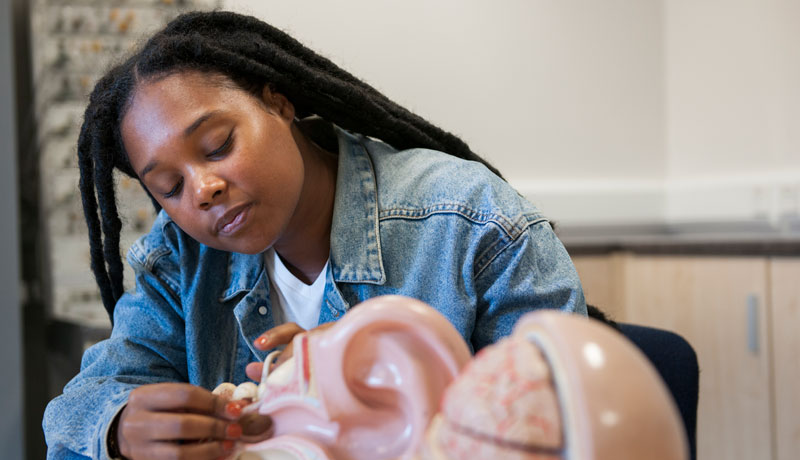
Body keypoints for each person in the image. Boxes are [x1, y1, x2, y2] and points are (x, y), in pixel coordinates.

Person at [42, 10, 586, 460]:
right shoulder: (182, 259)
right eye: (168, 186)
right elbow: (77, 410)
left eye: (217, 147)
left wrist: (377, 378)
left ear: (278, 103)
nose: (202, 190)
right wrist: (117, 430)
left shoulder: (471, 224)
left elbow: (570, 426)